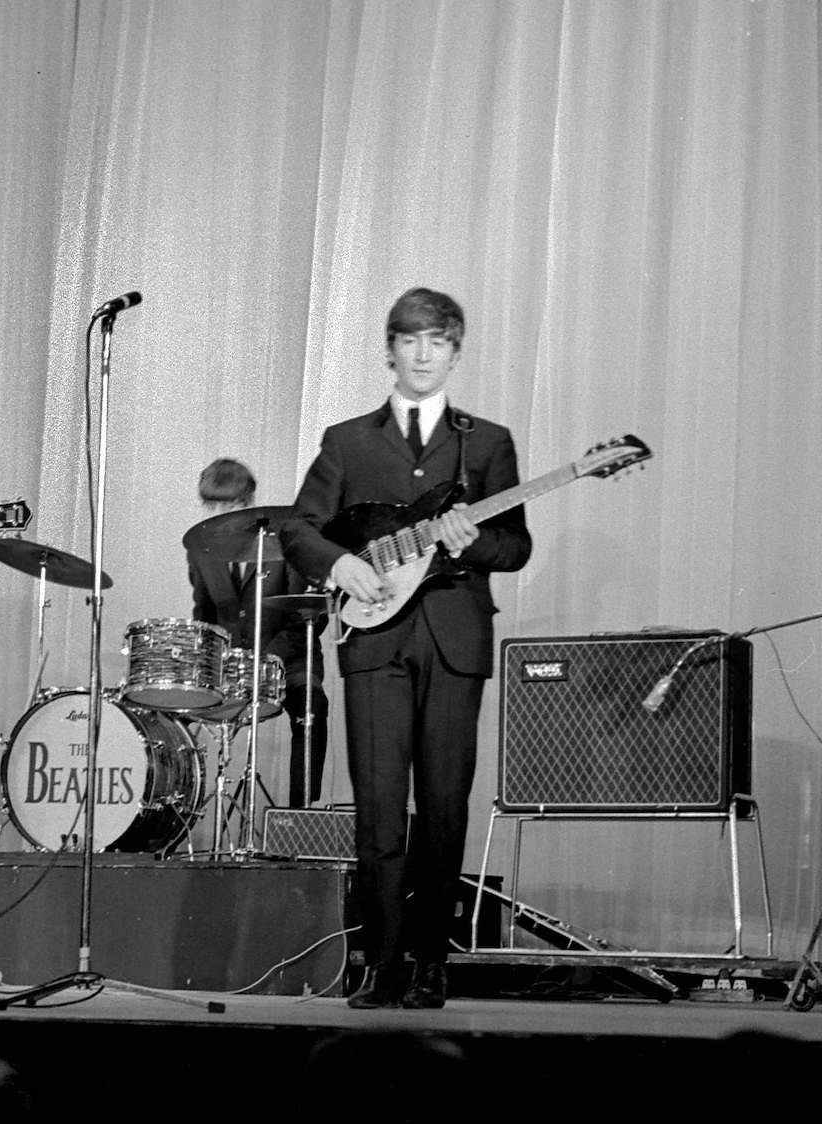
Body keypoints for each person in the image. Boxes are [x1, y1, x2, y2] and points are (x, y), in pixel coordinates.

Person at [282, 288, 530, 1009]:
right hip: (374, 637)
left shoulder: (485, 441)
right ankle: (382, 964)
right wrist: (341, 565)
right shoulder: (347, 441)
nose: (424, 355)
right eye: (411, 341)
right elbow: (300, 529)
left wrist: (473, 538)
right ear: (389, 349)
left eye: (439, 343)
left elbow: (515, 545)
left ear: (456, 352)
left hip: (455, 636)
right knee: (380, 810)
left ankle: (430, 962)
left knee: (445, 808)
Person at [185, 457, 329, 808]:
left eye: (227, 504)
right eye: (211, 504)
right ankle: (175, 815)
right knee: (175, 713)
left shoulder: (285, 546)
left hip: (287, 660)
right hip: (231, 665)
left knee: (312, 705)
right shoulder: (201, 551)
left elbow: (305, 616)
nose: (218, 512)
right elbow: (204, 614)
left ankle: (301, 813)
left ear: (247, 503)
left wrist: (269, 659)